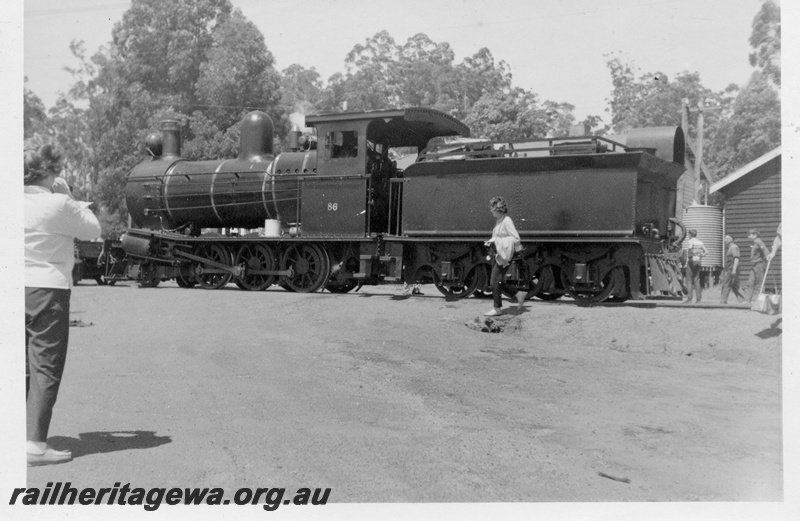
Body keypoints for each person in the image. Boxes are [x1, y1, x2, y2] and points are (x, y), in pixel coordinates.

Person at [25, 136, 102, 466]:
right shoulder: (57, 203)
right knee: (45, 365)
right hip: (48, 289)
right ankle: (35, 447)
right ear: (52, 170)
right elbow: (93, 230)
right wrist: (68, 194)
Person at [484, 197, 521, 316]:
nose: (491, 211)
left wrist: (499, 242)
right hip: (499, 255)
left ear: (498, 209)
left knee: (494, 281)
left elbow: (516, 238)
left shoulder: (507, 221)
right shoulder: (500, 221)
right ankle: (518, 295)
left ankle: (497, 308)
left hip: (505, 256)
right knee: (497, 280)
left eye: (492, 208)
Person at [683, 229, 708, 304]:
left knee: (689, 280)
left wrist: (691, 256)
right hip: (698, 262)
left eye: (688, 234)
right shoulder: (700, 242)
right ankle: (698, 299)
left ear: (690, 235)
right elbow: (707, 251)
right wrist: (700, 256)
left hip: (691, 262)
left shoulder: (691, 241)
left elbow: (690, 252)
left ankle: (689, 299)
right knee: (697, 279)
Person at [719, 235, 746, 305]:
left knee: (726, 284)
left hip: (732, 269)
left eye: (727, 239)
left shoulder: (734, 248)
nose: (725, 240)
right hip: (730, 269)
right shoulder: (730, 248)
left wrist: (734, 269)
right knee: (735, 286)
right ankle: (743, 301)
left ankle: (723, 301)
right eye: (725, 238)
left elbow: (736, 259)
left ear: (732, 240)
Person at [746, 228, 770, 303]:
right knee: (750, 283)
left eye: (750, 235)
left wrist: (768, 259)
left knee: (760, 283)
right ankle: (748, 300)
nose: (748, 236)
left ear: (755, 235)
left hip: (759, 264)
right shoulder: (754, 242)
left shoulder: (759, 242)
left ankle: (760, 301)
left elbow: (766, 251)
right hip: (753, 265)